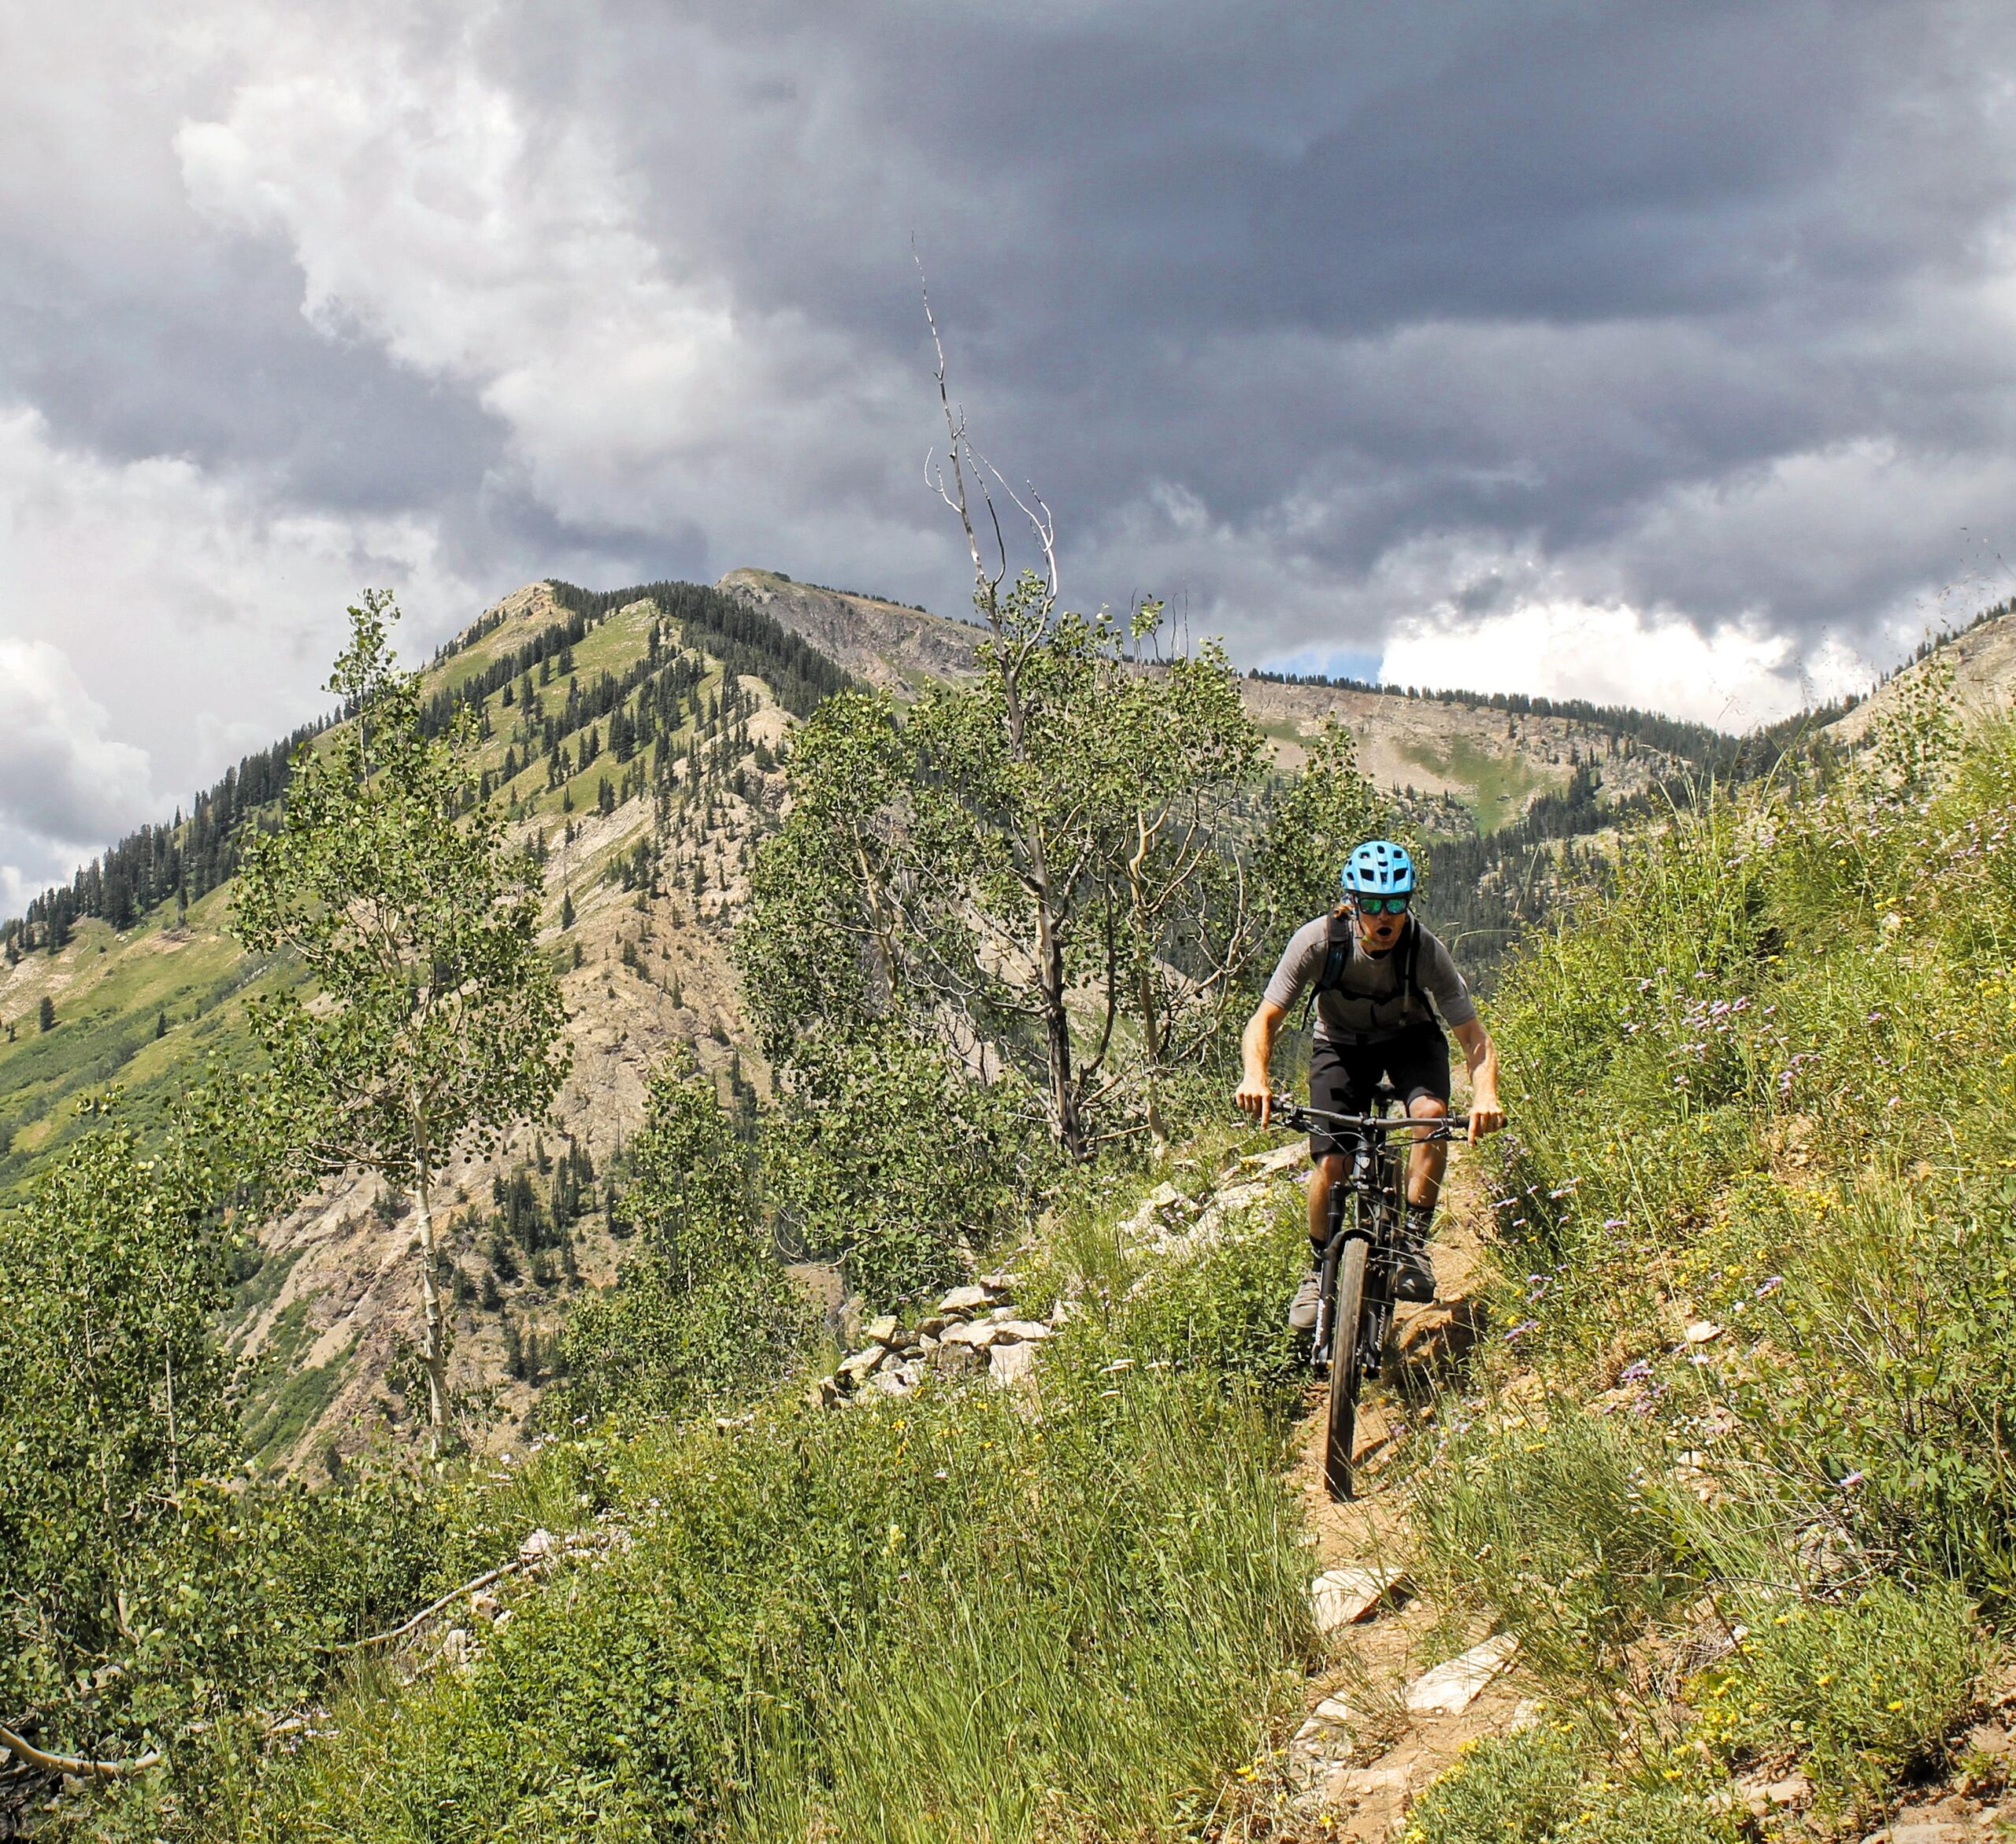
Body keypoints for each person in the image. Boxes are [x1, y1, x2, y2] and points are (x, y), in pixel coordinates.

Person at [1234, 839, 1503, 1324]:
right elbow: (1265, 1019)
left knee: (1430, 1116)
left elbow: (1473, 1036)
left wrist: (1486, 1094)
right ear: (1352, 902)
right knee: (1332, 1163)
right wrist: (1257, 1077)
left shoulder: (1424, 949)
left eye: (1397, 903)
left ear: (1408, 904)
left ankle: (1414, 1246)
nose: (1387, 916)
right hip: (1340, 1043)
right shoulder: (1318, 942)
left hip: (1409, 1038)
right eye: (1374, 903)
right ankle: (1318, 1272)